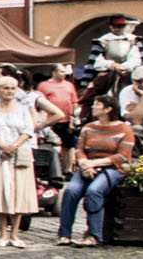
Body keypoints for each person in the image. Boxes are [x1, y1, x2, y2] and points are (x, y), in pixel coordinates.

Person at [56, 94, 133, 247]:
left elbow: (122, 156)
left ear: (108, 109)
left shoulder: (124, 129)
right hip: (87, 166)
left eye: (97, 104)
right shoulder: (89, 127)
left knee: (94, 191)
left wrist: (94, 163)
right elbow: (79, 149)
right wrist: (85, 164)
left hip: (112, 168)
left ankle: (94, 234)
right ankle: (64, 233)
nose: (93, 107)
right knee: (71, 191)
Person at [0, 75, 38, 246]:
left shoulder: (22, 109)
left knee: (18, 192)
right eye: (6, 88)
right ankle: (3, 233)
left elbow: (28, 130)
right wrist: (2, 146)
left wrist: (14, 146)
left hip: (18, 155)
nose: (10, 91)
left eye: (13, 88)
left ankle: (15, 234)